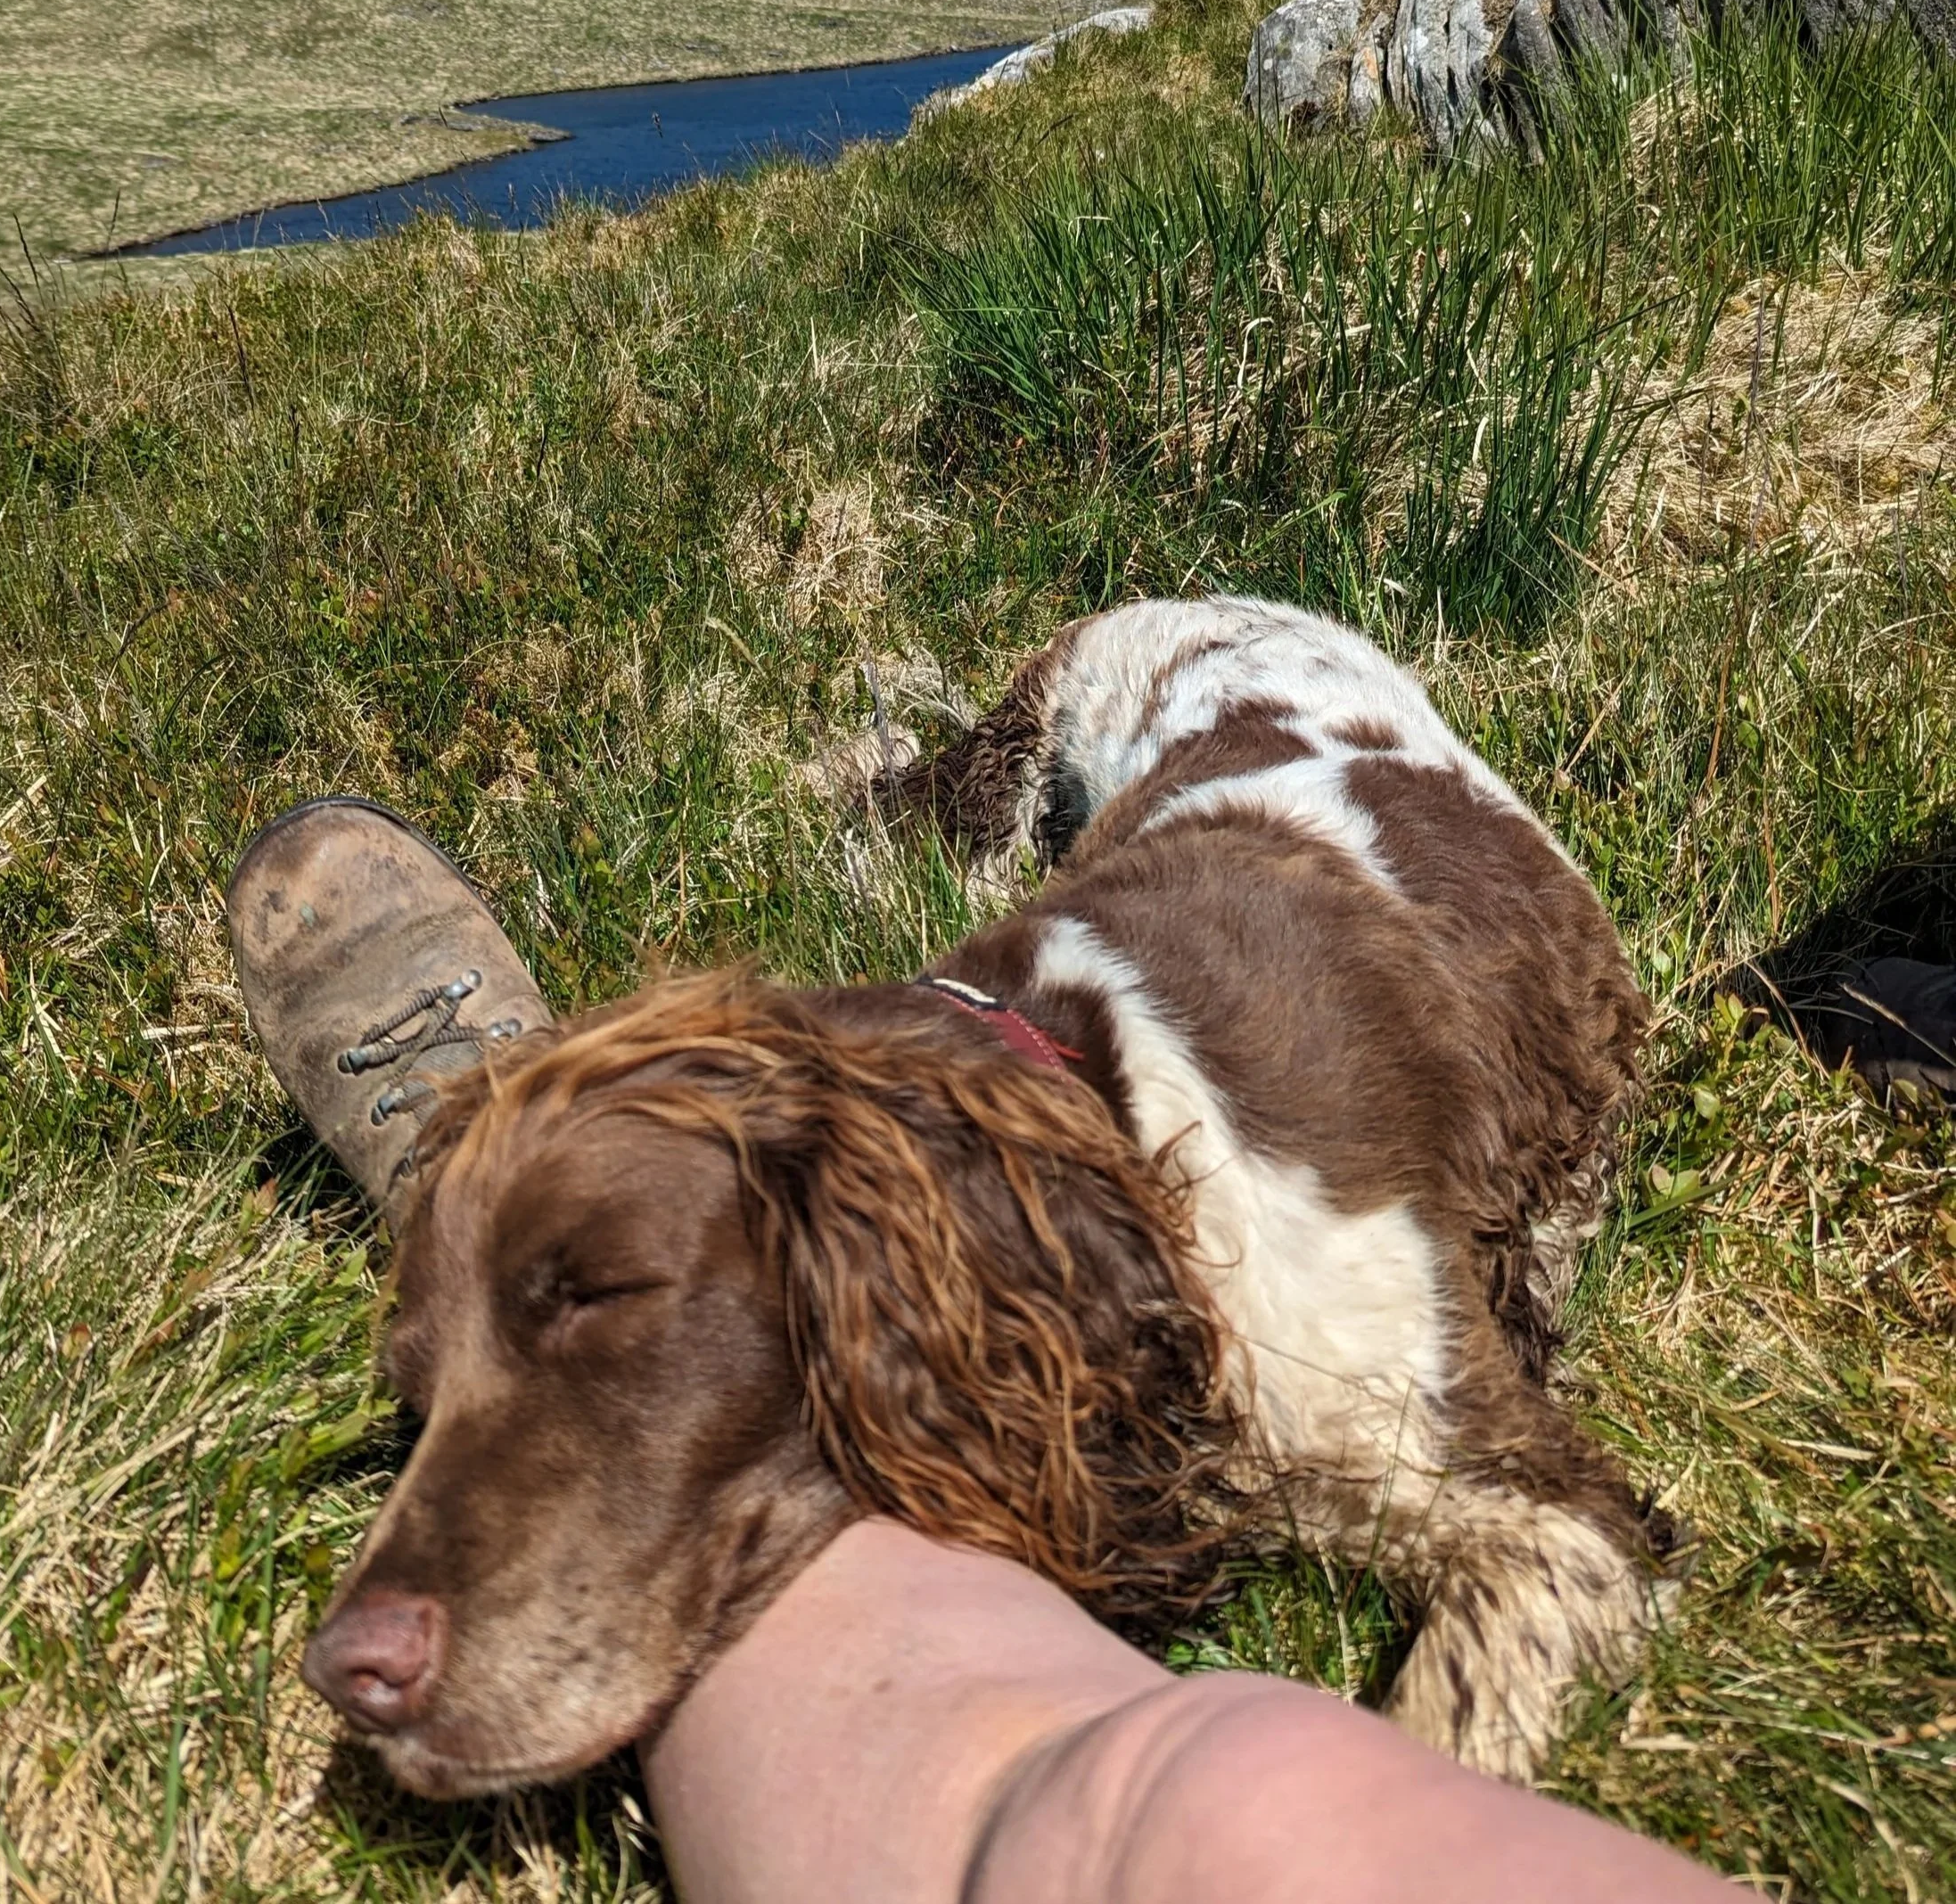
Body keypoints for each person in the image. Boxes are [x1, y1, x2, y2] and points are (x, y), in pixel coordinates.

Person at [228, 798, 1730, 1904]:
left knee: (1212, 1812)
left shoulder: (1321, 1270)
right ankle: (508, 1177)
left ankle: (510, 1149)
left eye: (594, 1297)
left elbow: (1569, 1543)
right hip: (1146, 835)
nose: (358, 1640)